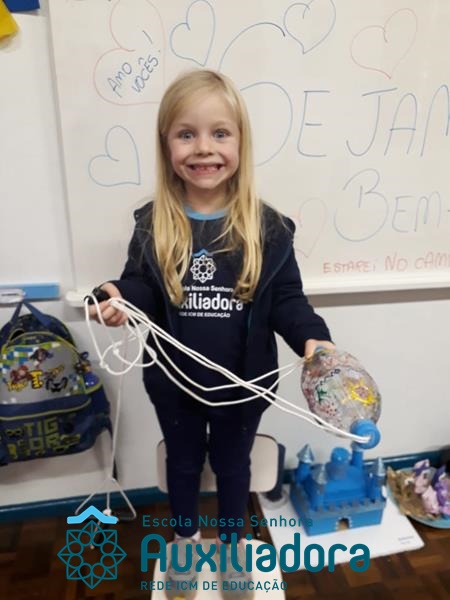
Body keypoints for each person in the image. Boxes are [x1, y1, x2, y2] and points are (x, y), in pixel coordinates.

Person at [89, 69, 334, 599]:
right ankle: (184, 542)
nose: (204, 148)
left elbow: (288, 300)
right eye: (187, 134)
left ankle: (232, 547)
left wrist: (315, 340)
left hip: (244, 387)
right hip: (173, 386)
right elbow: (141, 286)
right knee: (181, 466)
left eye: (220, 133)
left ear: (241, 142)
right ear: (166, 144)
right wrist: (118, 297)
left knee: (232, 467)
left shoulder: (269, 228)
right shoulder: (153, 222)